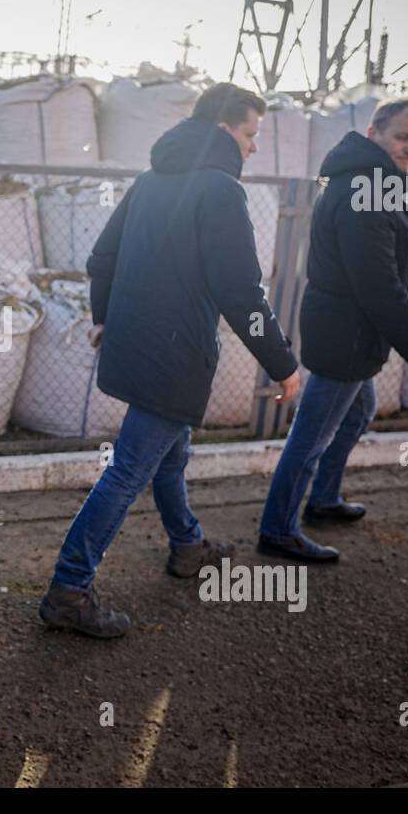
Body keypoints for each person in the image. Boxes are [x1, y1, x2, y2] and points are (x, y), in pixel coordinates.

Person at [40, 83, 301, 639]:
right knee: (129, 469)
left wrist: (105, 317)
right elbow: (242, 294)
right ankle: (69, 587)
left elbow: (100, 257)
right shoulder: (222, 193)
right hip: (175, 355)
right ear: (226, 128)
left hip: (136, 343)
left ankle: (187, 545)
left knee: (170, 454)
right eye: (251, 134)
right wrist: (283, 364)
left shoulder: (151, 179)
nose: (254, 148)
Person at [258, 98, 408, 560]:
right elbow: (379, 286)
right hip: (348, 335)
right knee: (311, 436)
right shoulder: (366, 187)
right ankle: (278, 530)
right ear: (374, 131)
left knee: (358, 413)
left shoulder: (371, 180)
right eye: (403, 136)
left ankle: (323, 500)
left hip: (348, 330)